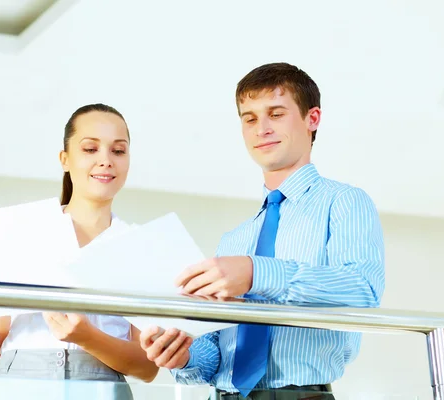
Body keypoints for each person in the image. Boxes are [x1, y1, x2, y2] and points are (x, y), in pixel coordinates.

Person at [140, 62, 386, 400]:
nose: (261, 129)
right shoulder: (234, 240)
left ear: (312, 119)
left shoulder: (344, 202)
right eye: (250, 118)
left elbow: (363, 292)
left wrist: (258, 273)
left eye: (276, 113)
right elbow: (216, 351)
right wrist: (185, 356)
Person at [0, 104, 158, 400]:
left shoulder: (141, 245)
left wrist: (87, 338)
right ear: (65, 159)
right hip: (16, 386)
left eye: (118, 151)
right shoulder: (21, 232)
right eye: (90, 149)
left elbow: (148, 368)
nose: (105, 161)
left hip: (102, 389)